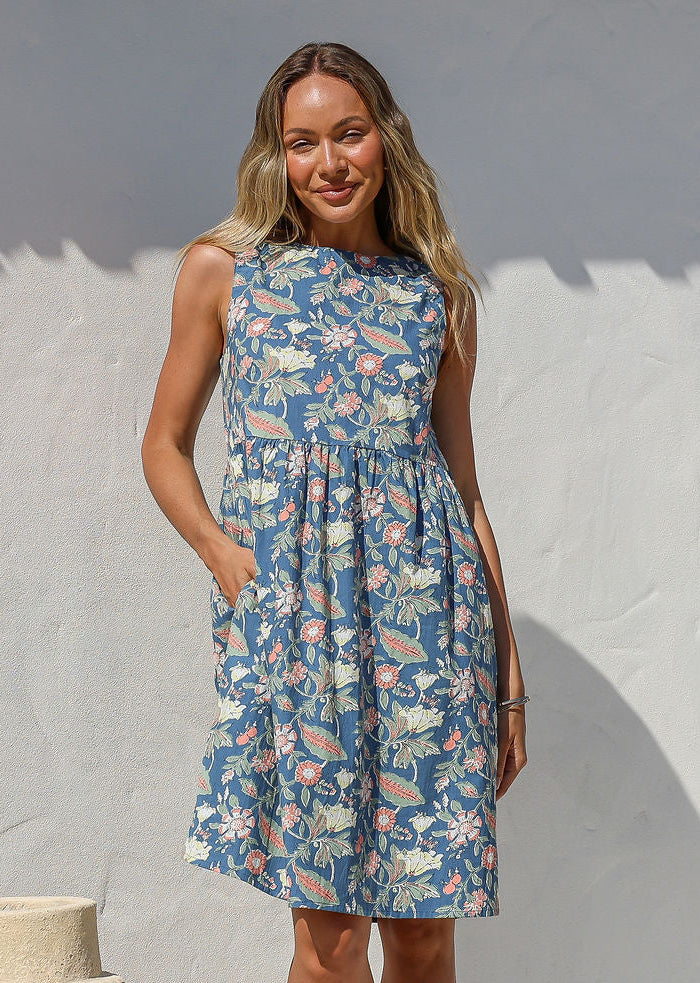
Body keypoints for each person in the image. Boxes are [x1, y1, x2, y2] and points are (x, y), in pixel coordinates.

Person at [141, 40, 528, 983]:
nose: (330, 163)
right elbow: (164, 446)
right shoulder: (225, 272)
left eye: (348, 134)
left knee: (428, 930)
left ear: (385, 139)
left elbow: (464, 491)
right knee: (331, 937)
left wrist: (506, 669)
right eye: (304, 141)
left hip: (432, 639)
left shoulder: (435, 295)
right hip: (299, 630)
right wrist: (227, 560)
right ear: (278, 156)